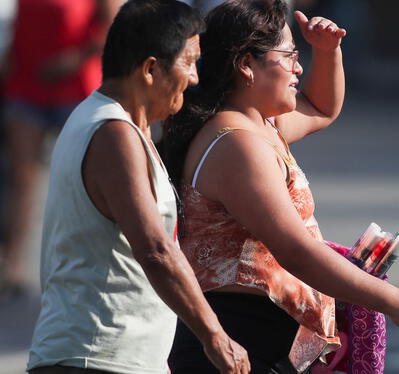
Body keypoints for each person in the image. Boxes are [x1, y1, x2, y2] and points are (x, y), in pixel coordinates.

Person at [162, 1, 399, 373]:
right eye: (289, 55)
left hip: (263, 340)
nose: (298, 67)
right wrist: (392, 300)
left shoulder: (261, 125)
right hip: (238, 338)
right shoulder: (235, 144)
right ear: (246, 65)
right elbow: (295, 250)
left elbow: (322, 108)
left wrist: (327, 51)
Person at [27, 1, 251, 373]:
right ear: (149, 69)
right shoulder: (113, 133)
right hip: (97, 357)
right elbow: (156, 250)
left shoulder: (112, 124)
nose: (194, 77)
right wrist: (216, 337)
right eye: (188, 61)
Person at [0, 0, 120, 298]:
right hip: (26, 86)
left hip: (75, 87)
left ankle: (85, 266)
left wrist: (73, 59)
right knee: (21, 181)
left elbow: (114, 29)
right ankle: (12, 266)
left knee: (78, 180)